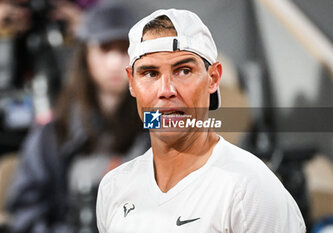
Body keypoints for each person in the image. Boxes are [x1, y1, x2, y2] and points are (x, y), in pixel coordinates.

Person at [96, 9, 306, 233]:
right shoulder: (114, 188)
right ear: (131, 82)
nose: (166, 91)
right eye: (150, 74)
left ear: (213, 79)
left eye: (183, 71)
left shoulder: (250, 190)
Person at [6, 2, 149, 233]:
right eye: (104, 48)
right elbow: (26, 215)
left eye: (125, 50)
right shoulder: (54, 132)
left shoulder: (158, 128)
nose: (115, 62)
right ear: (86, 55)